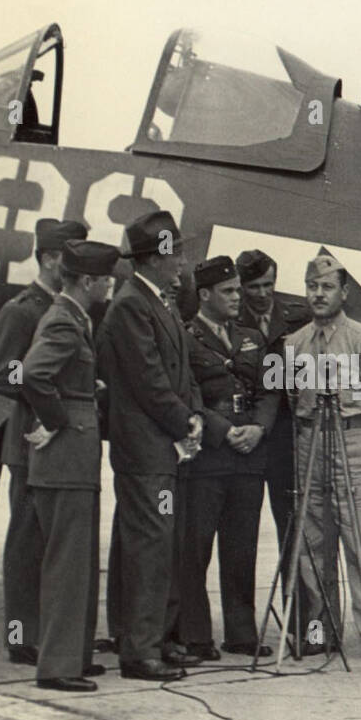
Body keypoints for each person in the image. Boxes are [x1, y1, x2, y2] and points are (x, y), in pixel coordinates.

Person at [98, 210, 204, 682]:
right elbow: (150, 382)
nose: (183, 262)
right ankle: (140, 651)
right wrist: (186, 423)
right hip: (146, 452)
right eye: (177, 252)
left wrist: (192, 419)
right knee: (150, 547)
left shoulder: (155, 302)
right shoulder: (131, 307)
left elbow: (179, 375)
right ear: (157, 257)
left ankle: (155, 638)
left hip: (161, 450)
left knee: (162, 544)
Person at [286, 254, 361, 666]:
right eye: (312, 287)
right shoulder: (293, 344)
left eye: (327, 287)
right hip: (308, 443)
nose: (318, 294)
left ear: (344, 293)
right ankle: (321, 630)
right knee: (313, 543)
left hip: (353, 441)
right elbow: (290, 399)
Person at [21, 239, 120, 692]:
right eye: (104, 279)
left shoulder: (75, 318)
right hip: (65, 459)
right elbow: (34, 374)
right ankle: (57, 666)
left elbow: (57, 377)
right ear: (86, 282)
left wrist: (85, 389)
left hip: (72, 458)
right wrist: (58, 420)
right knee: (66, 562)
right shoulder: (63, 320)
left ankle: (74, 656)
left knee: (78, 561)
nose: (110, 285)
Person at [178, 256, 279, 659]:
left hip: (249, 457)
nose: (239, 297)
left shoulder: (252, 337)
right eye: (230, 291)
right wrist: (223, 431)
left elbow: (273, 389)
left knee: (242, 549)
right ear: (205, 295)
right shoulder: (185, 337)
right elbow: (188, 393)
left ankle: (241, 633)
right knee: (195, 548)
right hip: (209, 457)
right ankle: (196, 635)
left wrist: (260, 428)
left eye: (239, 289)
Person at [0, 218, 75, 666]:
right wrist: (46, 388)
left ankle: (48, 633)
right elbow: (2, 374)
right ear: (48, 258)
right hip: (29, 444)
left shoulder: (66, 307)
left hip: (59, 444)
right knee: (25, 545)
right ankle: (22, 636)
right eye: (68, 255)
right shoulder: (22, 310)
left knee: (52, 545)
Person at [235, 248, 312, 642]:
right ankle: (243, 630)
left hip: (285, 438)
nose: (262, 294)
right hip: (245, 436)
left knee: (293, 530)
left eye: (268, 284)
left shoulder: (298, 313)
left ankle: (301, 626)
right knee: (242, 534)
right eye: (253, 287)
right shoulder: (231, 314)